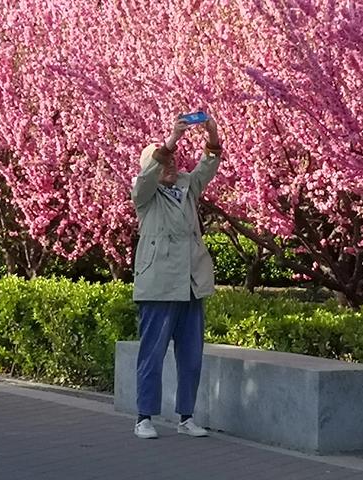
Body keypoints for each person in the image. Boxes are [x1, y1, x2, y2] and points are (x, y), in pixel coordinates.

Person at [131, 113, 222, 439]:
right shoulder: (145, 194)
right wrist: (170, 142)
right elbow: (146, 178)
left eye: (173, 160)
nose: (171, 165)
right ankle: (144, 417)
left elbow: (207, 168)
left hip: (190, 282)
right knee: (152, 355)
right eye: (164, 161)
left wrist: (212, 137)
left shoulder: (186, 186)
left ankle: (186, 416)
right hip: (158, 284)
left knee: (191, 357)